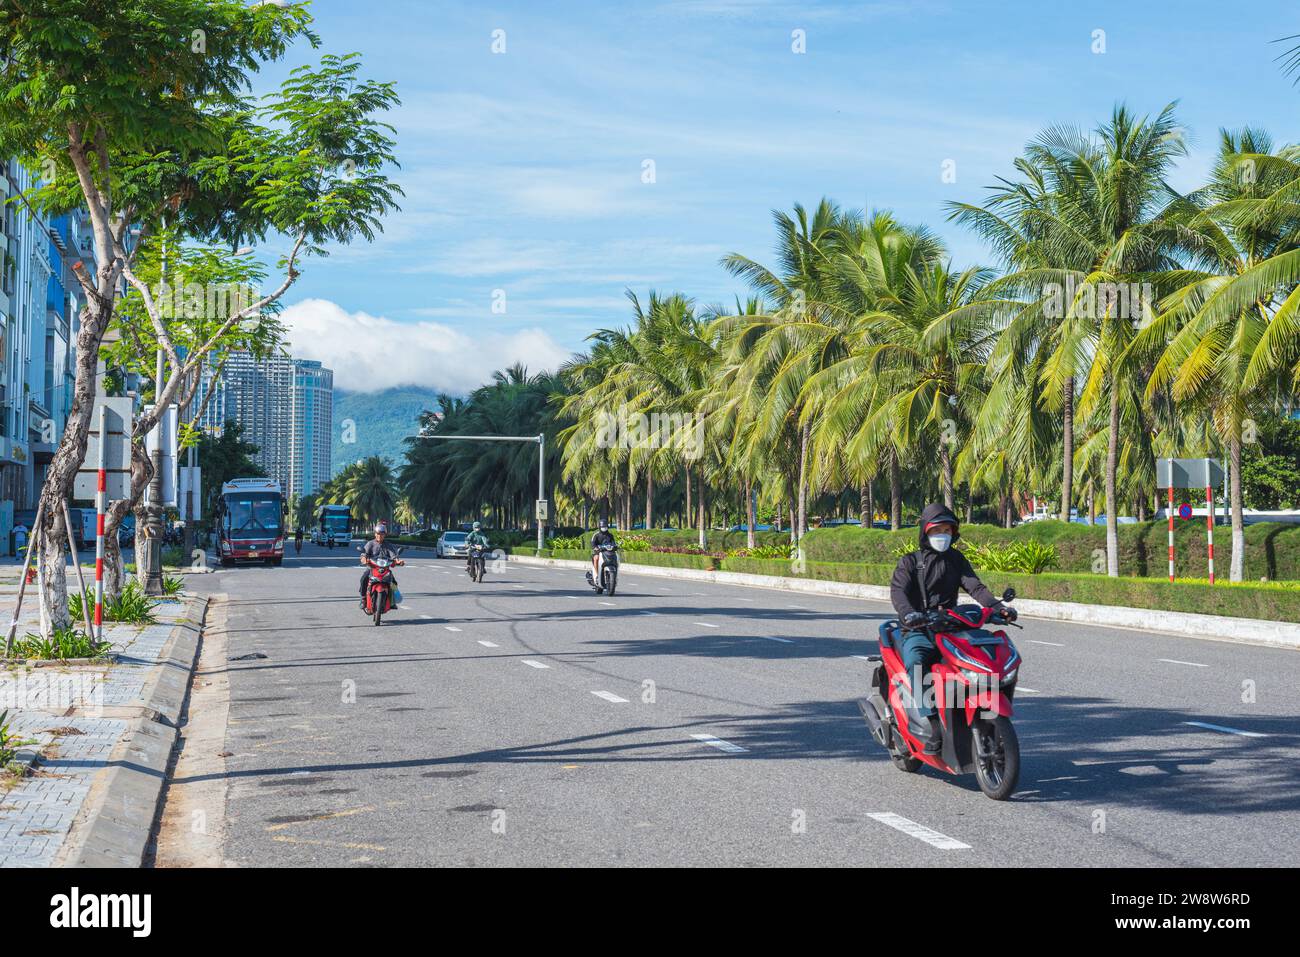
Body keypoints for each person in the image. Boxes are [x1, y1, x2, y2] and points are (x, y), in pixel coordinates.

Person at [887, 503, 1014, 752]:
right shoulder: (911, 562)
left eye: (947, 530)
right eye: (937, 530)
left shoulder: (957, 559)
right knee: (917, 661)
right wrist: (910, 614)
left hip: (951, 626)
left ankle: (972, 709)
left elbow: (975, 587)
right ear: (926, 532)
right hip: (920, 628)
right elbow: (898, 592)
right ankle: (933, 725)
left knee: (982, 655)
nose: (942, 535)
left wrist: (998, 608)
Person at [359, 522, 404, 609]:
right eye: (378, 534)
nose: (379, 536)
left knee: (394, 583)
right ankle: (363, 599)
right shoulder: (370, 544)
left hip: (385, 569)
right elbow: (364, 554)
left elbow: (394, 556)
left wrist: (398, 561)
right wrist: (364, 559)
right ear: (375, 534)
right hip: (372, 568)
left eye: (382, 534)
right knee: (363, 579)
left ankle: (392, 601)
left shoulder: (388, 545)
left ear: (385, 535)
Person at [587, 520, 616, 584]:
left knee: (616, 557)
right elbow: (592, 543)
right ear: (600, 527)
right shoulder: (596, 535)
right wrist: (595, 548)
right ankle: (597, 575)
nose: (604, 528)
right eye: (602, 526)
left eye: (605, 526)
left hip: (608, 552)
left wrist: (615, 546)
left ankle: (614, 576)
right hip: (598, 552)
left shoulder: (610, 535)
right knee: (596, 558)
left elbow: (614, 543)